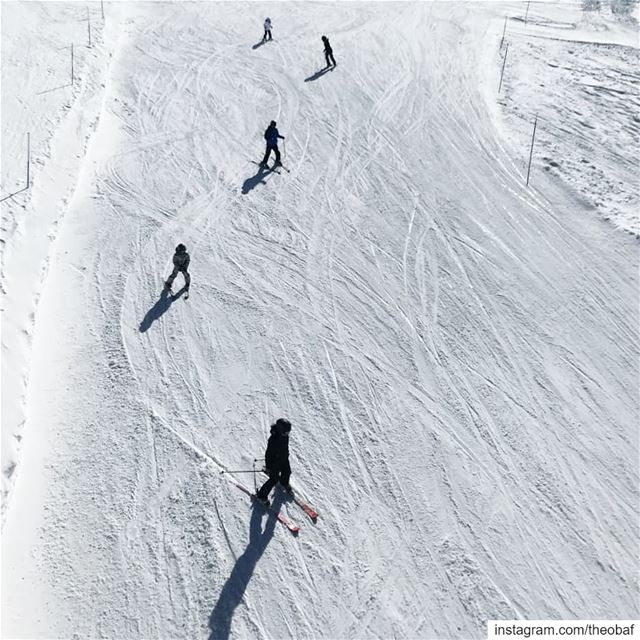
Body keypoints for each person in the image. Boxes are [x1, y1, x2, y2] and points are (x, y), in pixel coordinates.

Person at [256, 418, 292, 506]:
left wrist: (286, 455)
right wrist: (268, 467)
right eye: (286, 432)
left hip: (283, 458)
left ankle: (284, 482)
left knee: (287, 471)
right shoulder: (273, 439)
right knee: (274, 479)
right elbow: (268, 454)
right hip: (274, 462)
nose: (287, 434)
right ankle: (261, 495)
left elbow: (285, 447)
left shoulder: (284, 436)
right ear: (280, 430)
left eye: (288, 432)